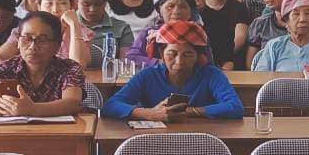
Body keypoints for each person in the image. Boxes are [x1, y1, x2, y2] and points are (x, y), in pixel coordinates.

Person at [102, 20, 243, 121]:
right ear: (161, 53)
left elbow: (235, 107)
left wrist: (189, 111)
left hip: (200, 140)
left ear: (198, 56)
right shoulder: (148, 75)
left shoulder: (211, 74)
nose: (179, 61)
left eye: (188, 55)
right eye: (172, 54)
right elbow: (111, 106)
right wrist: (150, 113)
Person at [0, 11, 87, 119]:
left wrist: (32, 109)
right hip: (9, 137)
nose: (33, 46)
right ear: (18, 42)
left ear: (57, 45)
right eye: (27, 38)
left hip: (58, 137)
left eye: (42, 40)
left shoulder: (69, 68)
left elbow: (72, 103)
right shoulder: (1, 69)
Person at [124, 0, 202, 64]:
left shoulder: (198, 35)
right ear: (160, 10)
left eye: (183, 7)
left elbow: (207, 64)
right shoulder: (149, 35)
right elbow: (132, 57)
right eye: (170, 6)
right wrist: (159, 63)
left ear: (190, 12)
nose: (176, 11)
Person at [196, 0, 251, 70]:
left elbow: (240, 39)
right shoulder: (199, 9)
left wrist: (225, 59)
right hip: (204, 63)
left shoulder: (239, 8)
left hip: (234, 63)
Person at [71, 0, 135, 67]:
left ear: (105, 2)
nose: (92, 9)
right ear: (76, 1)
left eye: (98, 4)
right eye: (86, 4)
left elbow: (125, 65)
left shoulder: (122, 28)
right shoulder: (66, 26)